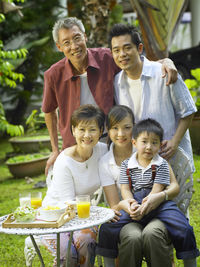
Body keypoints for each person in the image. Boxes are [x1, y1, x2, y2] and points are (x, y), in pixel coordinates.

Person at [42, 17, 178, 174]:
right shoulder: (53, 75)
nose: (74, 46)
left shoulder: (107, 58)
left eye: (77, 38)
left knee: (115, 188)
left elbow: (136, 63)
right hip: (75, 143)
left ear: (85, 37)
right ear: (59, 47)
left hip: (111, 141)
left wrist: (166, 61)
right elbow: (49, 111)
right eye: (66, 43)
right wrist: (54, 149)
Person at [96, 118, 200, 267]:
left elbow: (157, 189)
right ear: (134, 143)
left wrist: (149, 202)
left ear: (160, 144)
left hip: (158, 203)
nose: (149, 147)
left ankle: (190, 260)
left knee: (183, 226)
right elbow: (125, 188)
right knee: (107, 228)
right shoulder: (127, 165)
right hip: (136, 202)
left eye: (154, 142)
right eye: (144, 142)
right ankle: (108, 262)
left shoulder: (161, 164)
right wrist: (131, 203)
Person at [109, 23, 197, 166]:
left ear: (139, 48)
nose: (122, 54)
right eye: (116, 50)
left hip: (171, 157)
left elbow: (188, 111)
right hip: (141, 164)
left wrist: (174, 142)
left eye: (127, 48)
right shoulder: (116, 83)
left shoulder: (164, 73)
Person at [40, 104, 107, 267]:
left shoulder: (103, 151)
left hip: (83, 216)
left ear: (100, 131)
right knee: (69, 255)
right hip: (53, 217)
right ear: (73, 130)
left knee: (86, 241)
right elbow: (67, 202)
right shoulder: (64, 160)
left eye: (92, 129)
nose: (87, 135)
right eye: (81, 129)